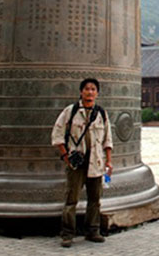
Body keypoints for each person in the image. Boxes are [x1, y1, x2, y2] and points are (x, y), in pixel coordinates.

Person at [51, 78, 113, 248]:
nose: (90, 92)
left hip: (96, 162)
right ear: (81, 91)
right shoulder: (70, 112)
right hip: (76, 164)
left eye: (93, 89)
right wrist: (66, 157)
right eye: (87, 89)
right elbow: (57, 136)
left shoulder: (101, 113)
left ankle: (93, 230)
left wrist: (109, 161)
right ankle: (67, 234)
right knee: (71, 199)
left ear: (97, 93)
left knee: (95, 199)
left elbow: (107, 139)